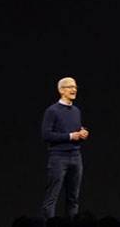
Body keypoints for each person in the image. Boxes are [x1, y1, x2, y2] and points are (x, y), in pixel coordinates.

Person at [40, 77, 89, 220]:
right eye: (70, 87)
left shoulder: (76, 111)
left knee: (73, 198)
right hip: (58, 157)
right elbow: (46, 135)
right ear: (61, 90)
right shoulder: (52, 111)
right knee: (52, 197)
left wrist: (82, 133)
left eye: (75, 87)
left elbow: (74, 131)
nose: (74, 89)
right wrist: (70, 136)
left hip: (76, 156)